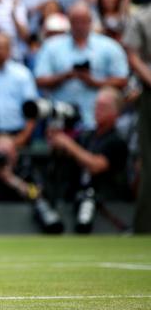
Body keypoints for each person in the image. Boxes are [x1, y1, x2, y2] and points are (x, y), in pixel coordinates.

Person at [46, 87, 130, 232]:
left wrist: (68, 144)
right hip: (76, 197)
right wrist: (57, 141)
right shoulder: (86, 136)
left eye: (103, 106)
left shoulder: (117, 140)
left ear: (116, 113)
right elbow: (66, 155)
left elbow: (97, 165)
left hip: (107, 201)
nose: (97, 110)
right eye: (96, 105)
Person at [34, 1, 128, 130]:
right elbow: (39, 80)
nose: (79, 26)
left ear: (91, 21)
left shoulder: (109, 47)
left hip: (97, 123)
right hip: (62, 121)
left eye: (83, 21)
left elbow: (122, 80)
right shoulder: (51, 46)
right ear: (69, 21)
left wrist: (94, 82)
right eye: (75, 21)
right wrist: (65, 76)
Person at [122, 5, 151, 233]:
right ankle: (144, 228)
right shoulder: (142, 17)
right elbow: (132, 55)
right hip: (149, 94)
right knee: (148, 163)